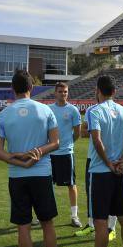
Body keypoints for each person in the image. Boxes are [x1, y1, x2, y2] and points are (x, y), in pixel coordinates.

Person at [0, 69, 63, 247]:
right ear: (31, 88)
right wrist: (37, 153)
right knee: (47, 224)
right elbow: (56, 142)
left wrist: (20, 160)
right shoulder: (44, 109)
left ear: (12, 89)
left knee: (23, 227)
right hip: (41, 174)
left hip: (18, 176)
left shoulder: (4, 114)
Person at [73, 76, 123, 247]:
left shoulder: (94, 111)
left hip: (101, 172)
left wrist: (109, 163)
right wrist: (121, 161)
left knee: (100, 221)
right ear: (115, 91)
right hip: (119, 171)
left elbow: (96, 139)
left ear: (97, 90)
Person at [48, 82, 83, 228]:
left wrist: (67, 143)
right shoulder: (48, 109)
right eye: (60, 91)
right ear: (55, 93)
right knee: (45, 185)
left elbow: (78, 133)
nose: (63, 94)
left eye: (65, 92)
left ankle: (74, 216)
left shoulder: (73, 110)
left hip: (66, 153)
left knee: (71, 184)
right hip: (50, 153)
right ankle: (43, 214)